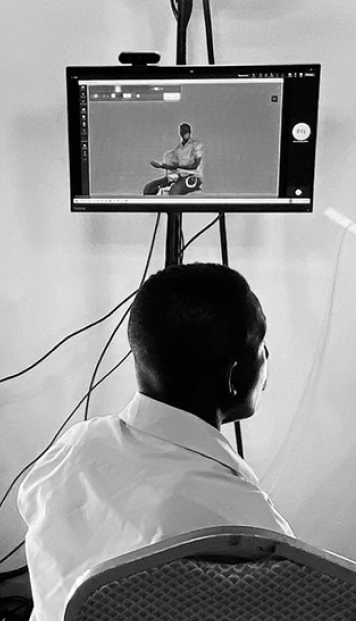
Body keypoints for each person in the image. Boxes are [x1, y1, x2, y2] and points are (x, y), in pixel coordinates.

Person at [17, 263, 291, 621]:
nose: (267, 356)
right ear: (233, 377)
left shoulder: (71, 451)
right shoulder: (245, 525)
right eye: (260, 344)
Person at [142, 121, 205, 195]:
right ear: (180, 133)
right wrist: (161, 165)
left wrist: (178, 167)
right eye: (183, 131)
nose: (185, 134)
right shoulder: (178, 149)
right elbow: (173, 167)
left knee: (174, 191)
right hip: (179, 176)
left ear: (190, 132)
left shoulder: (196, 145)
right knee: (149, 189)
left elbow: (195, 165)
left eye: (186, 131)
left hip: (192, 175)